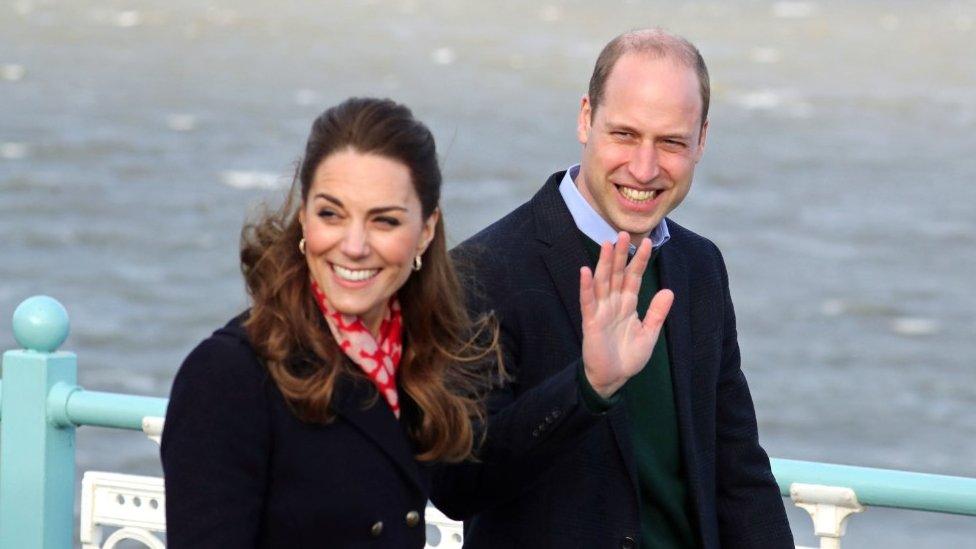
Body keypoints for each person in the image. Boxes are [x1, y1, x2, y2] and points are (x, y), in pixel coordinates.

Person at [161, 97, 669, 548]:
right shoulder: (227, 376)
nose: (354, 245)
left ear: (425, 232)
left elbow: (465, 483)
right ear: (303, 222)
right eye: (331, 215)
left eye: (384, 220)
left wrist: (591, 384)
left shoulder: (415, 355)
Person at [431, 29, 795, 548]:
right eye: (625, 134)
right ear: (585, 118)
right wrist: (588, 389)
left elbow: (737, 469)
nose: (644, 169)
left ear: (702, 139)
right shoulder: (479, 273)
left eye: (671, 141)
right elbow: (456, 484)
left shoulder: (700, 267)